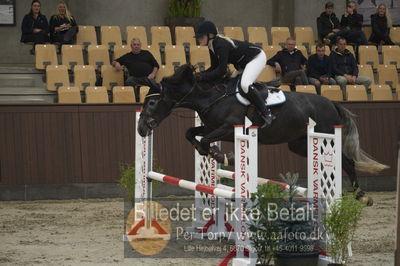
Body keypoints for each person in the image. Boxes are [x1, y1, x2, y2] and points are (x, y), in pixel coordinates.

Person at [194, 21, 273, 128]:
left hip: (256, 58)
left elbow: (222, 70)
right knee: (231, 81)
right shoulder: (211, 45)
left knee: (245, 84)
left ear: (210, 35)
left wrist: (202, 77)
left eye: (201, 37)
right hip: (243, 63)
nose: (199, 39)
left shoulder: (220, 45)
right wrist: (198, 76)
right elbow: (214, 67)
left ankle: (266, 112)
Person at [112, 38, 159, 102]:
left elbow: (156, 65)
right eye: (134, 44)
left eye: (138, 44)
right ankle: (134, 100)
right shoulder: (127, 56)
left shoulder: (147, 53)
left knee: (154, 84)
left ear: (140, 45)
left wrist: (153, 74)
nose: (136, 46)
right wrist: (116, 64)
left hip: (147, 77)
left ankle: (154, 101)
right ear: (131, 46)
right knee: (128, 81)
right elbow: (114, 61)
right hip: (134, 78)